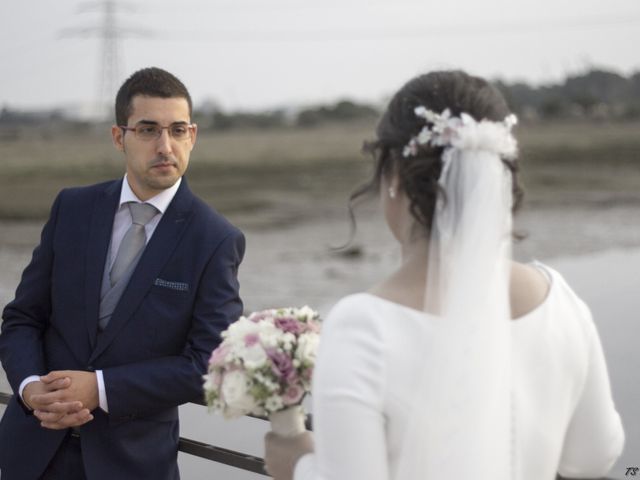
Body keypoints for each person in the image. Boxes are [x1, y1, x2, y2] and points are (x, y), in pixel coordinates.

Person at [263, 70, 624, 479]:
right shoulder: (560, 301)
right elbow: (594, 457)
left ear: (394, 176)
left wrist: (297, 465)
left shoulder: (362, 326)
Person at [0, 67, 245, 480]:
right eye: (148, 130)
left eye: (178, 130)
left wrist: (100, 388)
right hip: (32, 453)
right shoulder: (72, 209)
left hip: (131, 464)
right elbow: (23, 318)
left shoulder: (215, 239)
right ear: (120, 137)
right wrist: (29, 389)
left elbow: (207, 364)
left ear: (193, 136)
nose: (165, 145)